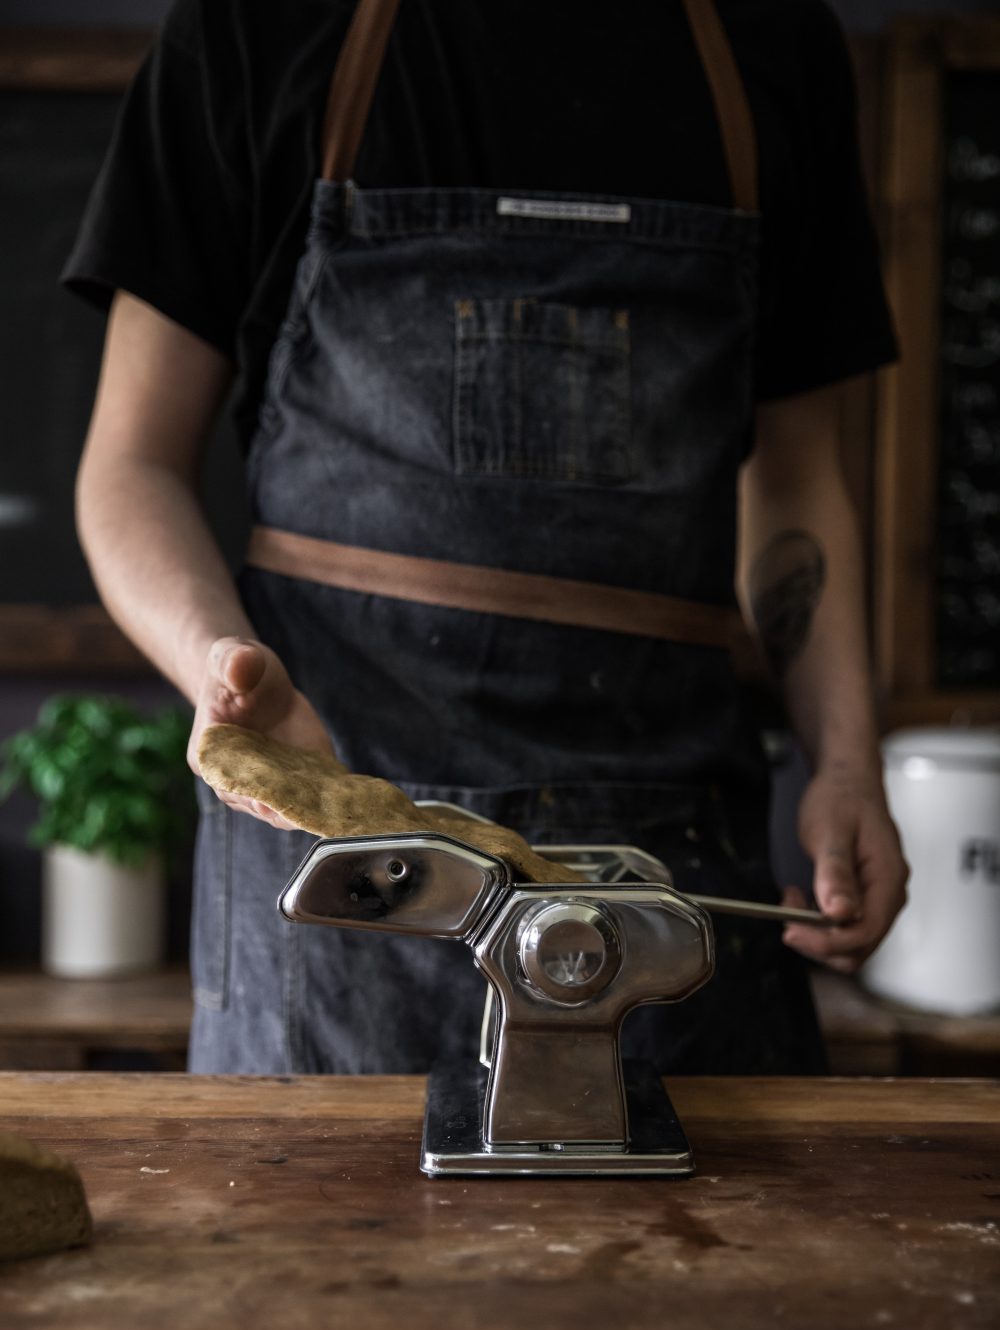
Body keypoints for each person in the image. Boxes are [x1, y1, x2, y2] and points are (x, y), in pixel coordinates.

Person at [65, 0, 908, 1076]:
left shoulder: (770, 41)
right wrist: (223, 672)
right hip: (343, 884)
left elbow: (796, 482)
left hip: (663, 883)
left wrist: (847, 761)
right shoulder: (251, 26)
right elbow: (129, 466)